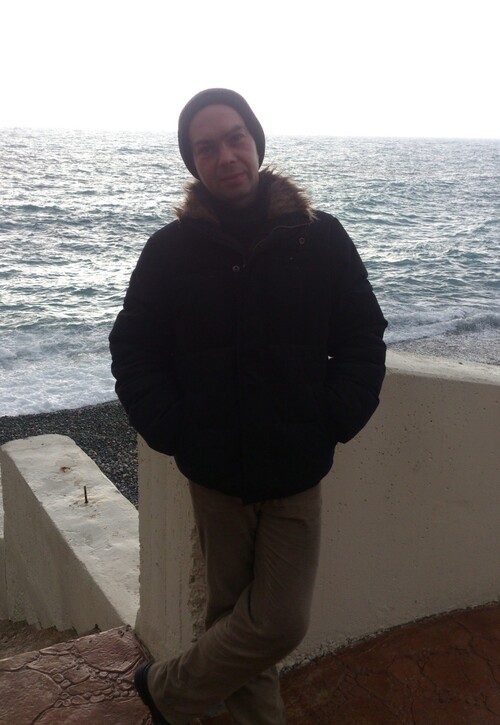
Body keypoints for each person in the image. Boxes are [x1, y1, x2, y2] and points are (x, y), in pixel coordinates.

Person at [109, 88, 387, 725]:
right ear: (193, 161)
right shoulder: (169, 251)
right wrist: (176, 430)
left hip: (296, 467)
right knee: (232, 620)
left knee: (278, 623)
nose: (226, 156)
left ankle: (166, 690)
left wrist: (334, 418)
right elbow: (134, 349)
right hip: (215, 474)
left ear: (256, 142)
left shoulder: (319, 238)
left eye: (235, 137)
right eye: (206, 147)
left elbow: (362, 335)